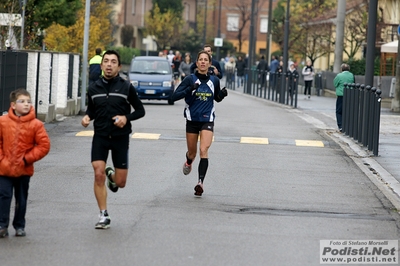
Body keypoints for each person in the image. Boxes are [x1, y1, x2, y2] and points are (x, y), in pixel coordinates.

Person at [81, 50, 145, 229]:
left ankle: (112, 174)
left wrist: (126, 118)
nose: (109, 64)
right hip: (100, 135)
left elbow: (140, 110)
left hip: (120, 137)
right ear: (101, 66)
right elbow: (92, 109)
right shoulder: (93, 88)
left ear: (118, 66)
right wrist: (87, 117)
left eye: (113, 62)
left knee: (120, 183)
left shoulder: (126, 87)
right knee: (97, 172)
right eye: (106, 61)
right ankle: (103, 215)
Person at [171, 51, 228, 196]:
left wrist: (222, 94)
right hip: (192, 120)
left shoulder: (214, 80)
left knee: (203, 150)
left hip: (207, 119)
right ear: (196, 63)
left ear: (209, 64)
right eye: (200, 60)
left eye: (205, 60)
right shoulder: (190, 79)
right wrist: (190, 90)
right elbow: (173, 96)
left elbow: (216, 98)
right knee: (192, 153)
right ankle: (189, 161)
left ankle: (200, 183)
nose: (203, 62)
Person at [0, 89, 51, 238]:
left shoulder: (36, 124)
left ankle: (19, 225)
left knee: (21, 199)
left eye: (29, 101)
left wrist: (27, 159)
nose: (27, 104)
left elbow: (44, 146)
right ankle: (2, 225)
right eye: (22, 101)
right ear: (13, 105)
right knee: (3, 196)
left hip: (24, 169)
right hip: (4, 168)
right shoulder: (3, 122)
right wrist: (1, 159)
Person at [333, 63, 355, 132]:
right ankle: (348, 126)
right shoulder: (352, 75)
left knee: (339, 111)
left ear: (341, 69)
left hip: (341, 95)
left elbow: (335, 84)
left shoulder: (339, 75)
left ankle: (341, 126)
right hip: (350, 95)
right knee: (348, 111)